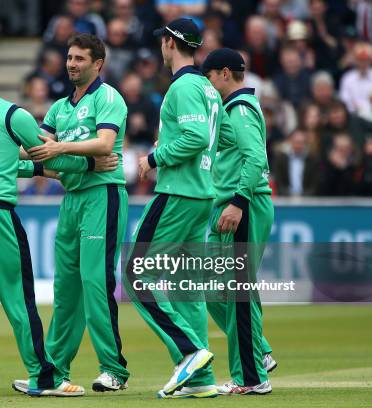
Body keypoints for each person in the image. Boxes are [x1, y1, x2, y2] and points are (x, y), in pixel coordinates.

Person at [0, 55, 118, 397]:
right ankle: (42, 378)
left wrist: (43, 172)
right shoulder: (12, 113)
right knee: (19, 298)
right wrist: (91, 163)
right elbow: (48, 153)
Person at [126, 18, 218, 399]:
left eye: (162, 42)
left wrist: (155, 156)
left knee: (136, 273)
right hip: (202, 195)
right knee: (185, 288)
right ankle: (200, 380)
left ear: (169, 43)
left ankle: (190, 351)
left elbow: (196, 137)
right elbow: (220, 137)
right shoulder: (208, 89)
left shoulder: (182, 86)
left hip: (179, 193)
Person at [202, 47, 276, 395]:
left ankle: (250, 378)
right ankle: (258, 352)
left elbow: (254, 158)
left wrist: (238, 202)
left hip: (241, 205)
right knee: (213, 289)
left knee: (236, 291)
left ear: (225, 73)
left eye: (210, 76)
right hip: (229, 206)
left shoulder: (240, 108)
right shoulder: (230, 109)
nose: (208, 83)